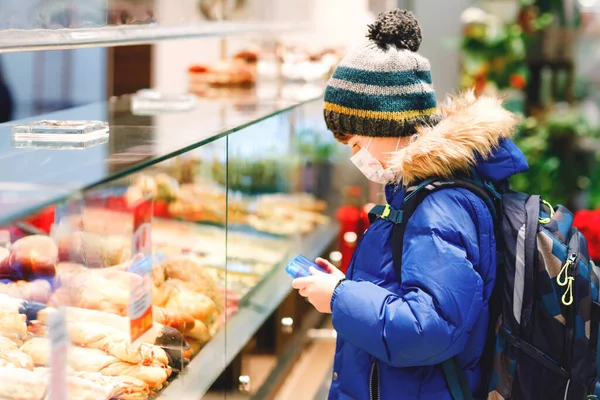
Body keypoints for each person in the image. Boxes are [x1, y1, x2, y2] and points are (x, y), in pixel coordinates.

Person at [291, 9, 529, 400]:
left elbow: (429, 328)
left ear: (387, 125)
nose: (357, 158)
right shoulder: (426, 193)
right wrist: (345, 285)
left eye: (355, 143)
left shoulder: (440, 206)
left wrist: (339, 297)